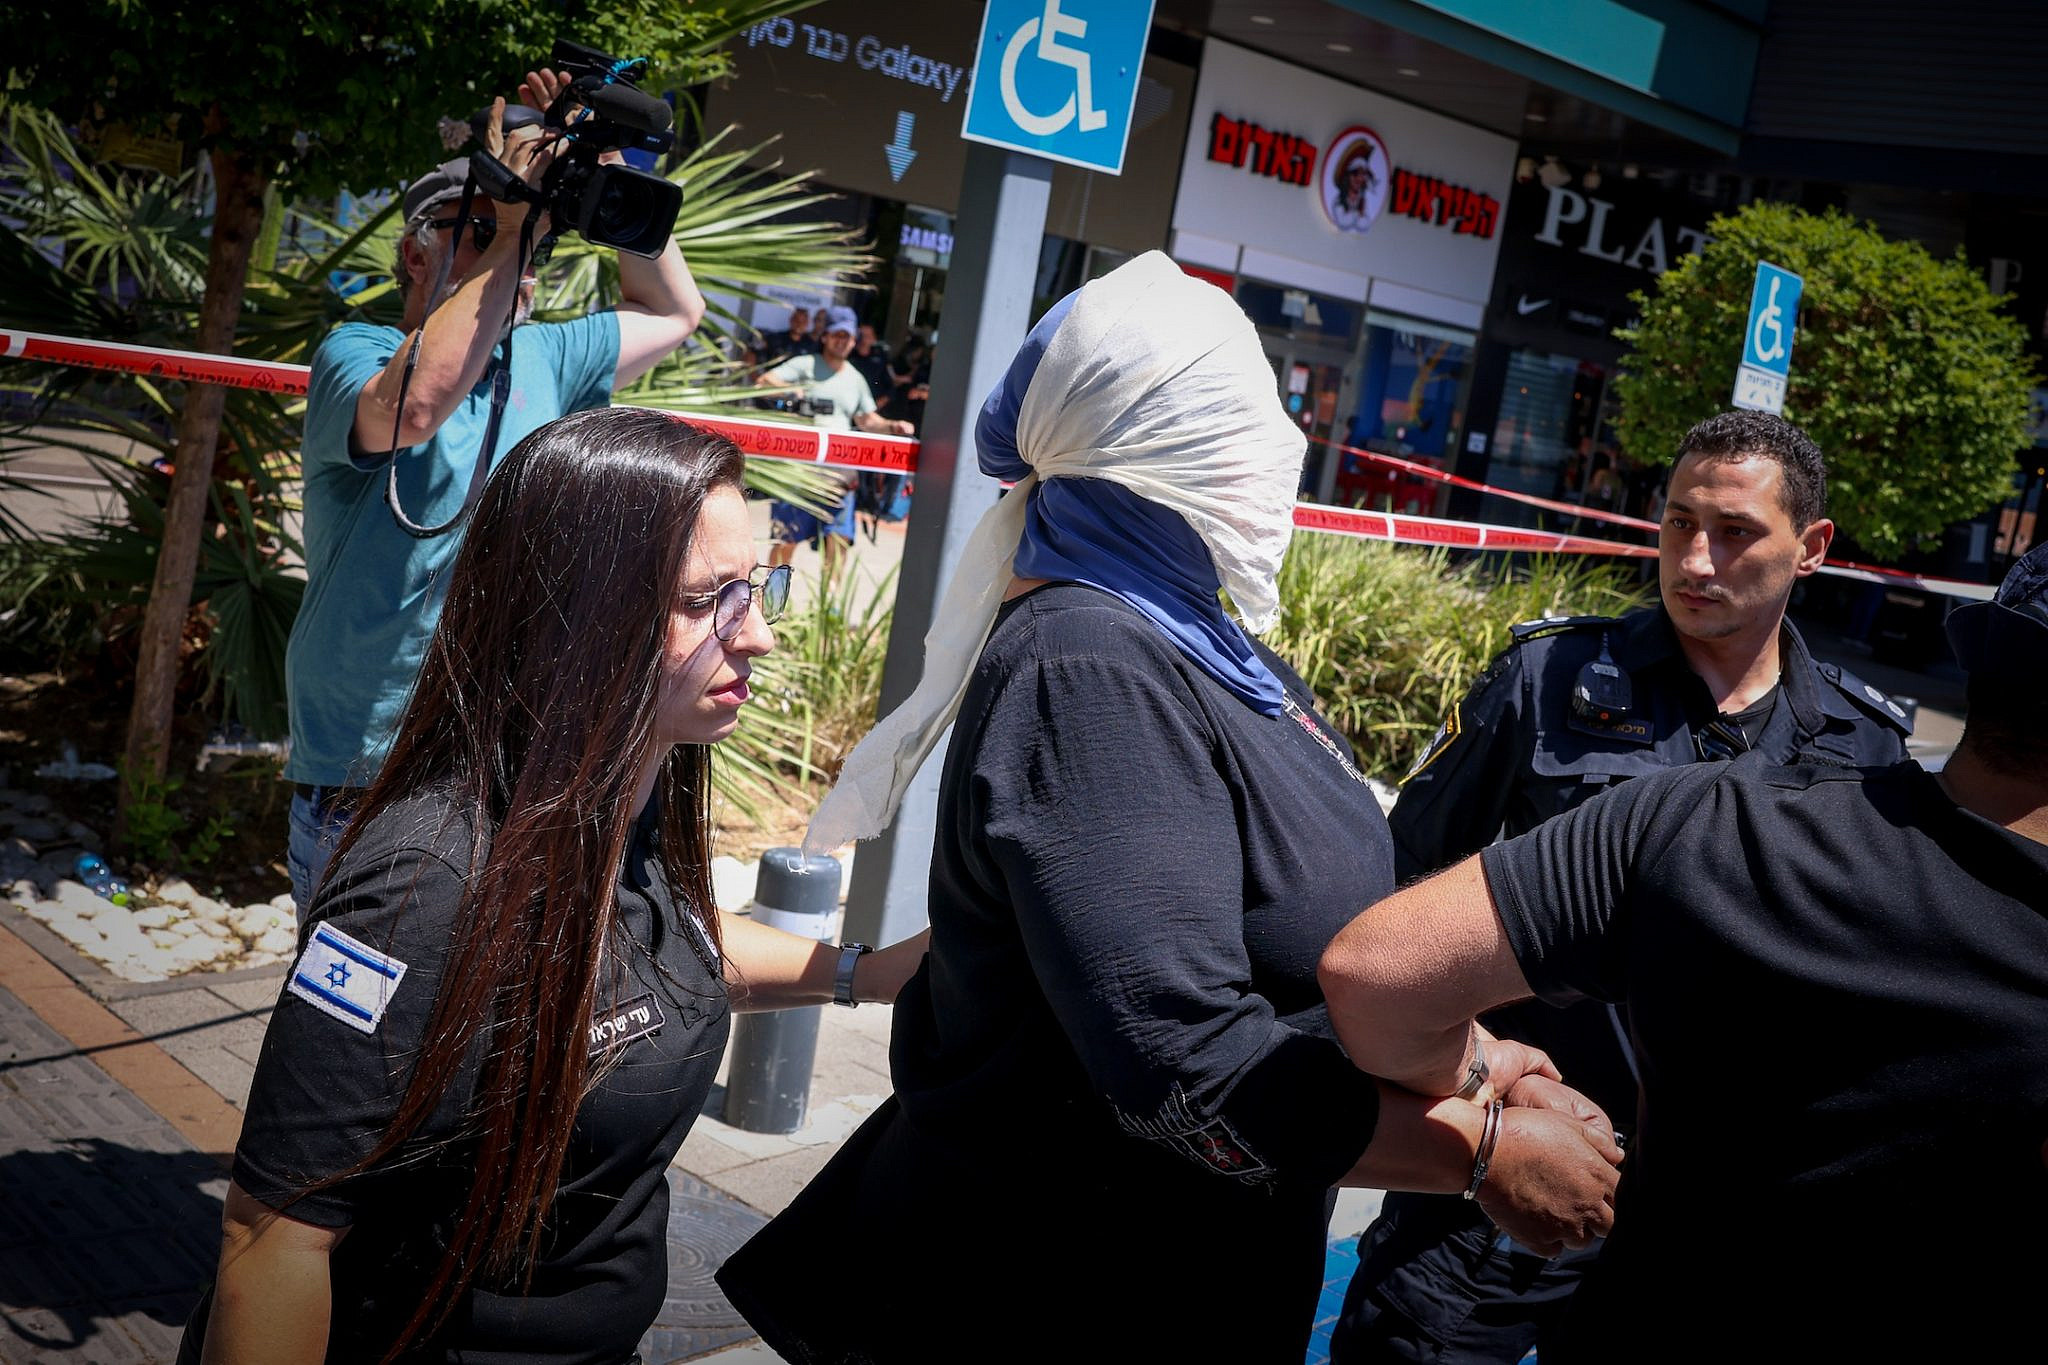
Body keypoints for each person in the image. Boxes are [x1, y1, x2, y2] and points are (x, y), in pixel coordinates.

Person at [715, 252, 1624, 1362]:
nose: (1278, 451)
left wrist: (1475, 1056)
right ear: (1163, 452)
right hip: (1050, 1297)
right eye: (1247, 419)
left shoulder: (1206, 647)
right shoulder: (1087, 666)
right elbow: (1181, 1064)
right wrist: (1476, 1155)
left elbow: (1294, 937)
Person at [183, 408, 929, 1365]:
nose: (762, 636)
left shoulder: (622, 791)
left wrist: (873, 972)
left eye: (756, 587)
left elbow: (665, 951)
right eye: (709, 600)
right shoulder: (420, 889)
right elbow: (271, 1238)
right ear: (576, 612)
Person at [1318, 538, 2048, 1361]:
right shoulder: (1558, 681)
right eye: (1679, 521)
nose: (1698, 558)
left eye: (1736, 531)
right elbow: (1396, 902)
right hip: (1518, 1170)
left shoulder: (1844, 742)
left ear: (1811, 548)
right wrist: (1483, 1104)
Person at [281, 70, 707, 922]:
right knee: (357, 1043)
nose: (510, 253)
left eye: (526, 243)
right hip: (368, 775)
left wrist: (608, 167)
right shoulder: (356, 351)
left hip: (502, 769)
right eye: (473, 231)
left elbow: (674, 310)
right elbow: (421, 403)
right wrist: (514, 218)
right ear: (414, 253)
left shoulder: (548, 357)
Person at [757, 304, 915, 584]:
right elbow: (763, 382)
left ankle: (827, 612)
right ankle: (770, 605)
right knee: (786, 542)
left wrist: (893, 426)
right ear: (825, 337)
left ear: (855, 340)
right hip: (799, 474)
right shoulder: (804, 364)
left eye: (848, 336)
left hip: (840, 479)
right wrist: (791, 392)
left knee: (838, 544)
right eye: (836, 334)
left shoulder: (855, 378)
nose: (842, 341)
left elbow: (867, 419)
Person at [847, 320, 892, 399]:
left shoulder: (880, 359)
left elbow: (889, 387)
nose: (863, 340)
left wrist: (876, 406)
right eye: (860, 336)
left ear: (873, 339)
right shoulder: (847, 357)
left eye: (867, 336)